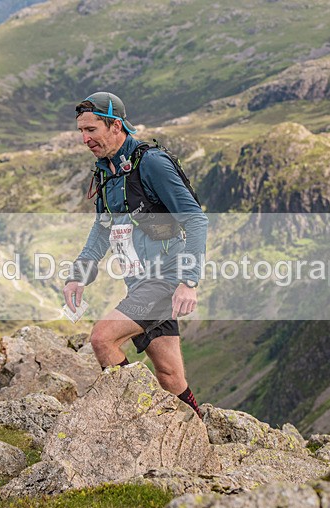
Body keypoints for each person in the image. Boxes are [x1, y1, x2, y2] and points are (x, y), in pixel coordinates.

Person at [63, 91, 208, 417]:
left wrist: (189, 280)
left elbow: (195, 220)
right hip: (139, 281)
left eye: (92, 130)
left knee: (102, 339)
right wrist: (78, 277)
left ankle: (133, 422)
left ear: (116, 125)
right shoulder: (105, 169)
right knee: (171, 376)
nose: (85, 139)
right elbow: (102, 230)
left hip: (166, 278)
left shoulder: (152, 163)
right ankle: (199, 435)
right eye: (81, 132)